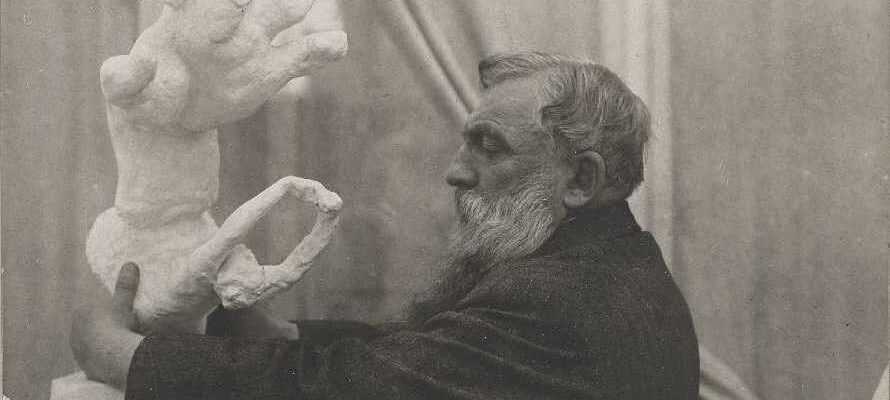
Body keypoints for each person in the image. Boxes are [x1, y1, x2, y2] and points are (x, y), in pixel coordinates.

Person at [71, 52, 700, 399]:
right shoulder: (614, 268)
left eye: (489, 147)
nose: (456, 173)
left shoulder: (556, 299)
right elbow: (434, 356)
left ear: (581, 180)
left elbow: (353, 391)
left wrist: (124, 357)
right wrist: (287, 331)